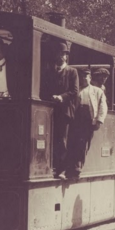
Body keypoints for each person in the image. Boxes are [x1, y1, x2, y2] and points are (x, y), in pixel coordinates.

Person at [40, 42, 79, 179]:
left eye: (64, 54)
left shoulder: (72, 72)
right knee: (47, 138)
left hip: (64, 111)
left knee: (62, 140)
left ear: (66, 57)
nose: (61, 56)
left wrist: (61, 97)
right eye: (60, 54)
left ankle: (61, 169)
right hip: (49, 111)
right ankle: (49, 166)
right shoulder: (49, 71)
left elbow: (74, 91)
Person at [66, 68, 108, 179]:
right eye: (82, 77)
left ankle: (78, 167)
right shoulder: (77, 90)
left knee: (83, 143)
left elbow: (103, 106)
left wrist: (99, 120)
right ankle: (70, 167)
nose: (84, 79)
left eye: (86, 77)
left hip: (88, 119)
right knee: (72, 141)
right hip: (76, 117)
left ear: (90, 78)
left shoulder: (97, 91)